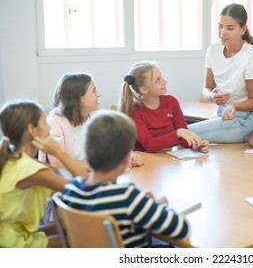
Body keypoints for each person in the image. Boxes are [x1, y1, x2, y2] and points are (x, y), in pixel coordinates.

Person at [62, 110, 191, 247]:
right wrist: (158, 205)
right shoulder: (128, 197)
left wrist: (142, 203)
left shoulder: (72, 189)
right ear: (126, 158)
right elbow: (182, 229)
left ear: (87, 151)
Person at [188, 3, 253, 143]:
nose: (222, 33)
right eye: (220, 26)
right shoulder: (213, 51)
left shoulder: (252, 57)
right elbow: (207, 89)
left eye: (230, 28)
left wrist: (233, 106)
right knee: (186, 135)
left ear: (243, 29)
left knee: (186, 133)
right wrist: (212, 95)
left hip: (246, 120)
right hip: (221, 114)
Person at [40, 73, 144, 177]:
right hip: (67, 182)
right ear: (78, 98)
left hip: (94, 176)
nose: (99, 94)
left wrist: (130, 155)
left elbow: (114, 145)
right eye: (94, 90)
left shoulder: (95, 117)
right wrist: (94, 166)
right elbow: (58, 164)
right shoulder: (53, 123)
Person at [0, 100, 69, 248]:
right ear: (32, 130)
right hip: (12, 243)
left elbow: (59, 172)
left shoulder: (15, 159)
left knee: (66, 228)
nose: (49, 127)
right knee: (77, 239)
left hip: (11, 235)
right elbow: (77, 188)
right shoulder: (30, 169)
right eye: (45, 122)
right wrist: (59, 152)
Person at [120, 60, 208, 153]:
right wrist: (179, 133)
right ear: (144, 89)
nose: (165, 81)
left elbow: (183, 139)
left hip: (166, 157)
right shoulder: (135, 111)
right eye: (158, 80)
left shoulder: (171, 102)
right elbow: (149, 145)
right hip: (147, 160)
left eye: (161, 76)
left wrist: (195, 145)